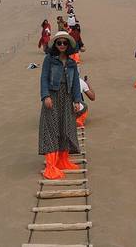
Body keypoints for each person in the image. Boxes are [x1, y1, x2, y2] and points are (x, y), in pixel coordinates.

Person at [39, 31, 83, 179]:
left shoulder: (71, 62)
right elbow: (44, 78)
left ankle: (63, 160)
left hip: (67, 97)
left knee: (66, 127)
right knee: (51, 128)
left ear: (68, 45)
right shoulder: (49, 59)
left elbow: (76, 82)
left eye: (65, 43)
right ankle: (51, 165)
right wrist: (45, 96)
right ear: (55, 45)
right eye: (59, 43)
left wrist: (77, 100)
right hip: (53, 96)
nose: (62, 45)